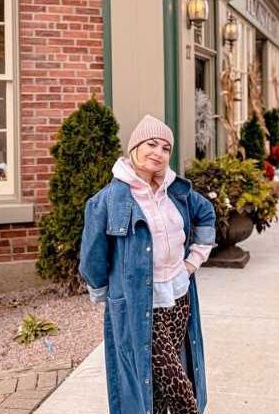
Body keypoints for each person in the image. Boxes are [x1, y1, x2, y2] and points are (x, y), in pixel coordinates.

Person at [79, 115, 215, 414]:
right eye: (152, 144)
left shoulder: (177, 192)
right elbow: (91, 256)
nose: (159, 153)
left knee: (160, 383)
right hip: (138, 305)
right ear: (134, 148)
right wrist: (103, 290)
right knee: (178, 387)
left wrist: (193, 261)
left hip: (179, 297)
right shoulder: (108, 201)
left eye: (166, 148)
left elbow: (207, 215)